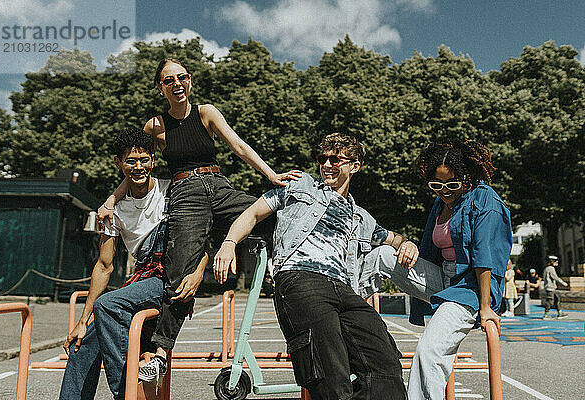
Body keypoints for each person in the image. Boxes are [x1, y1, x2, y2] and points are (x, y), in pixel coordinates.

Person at [99, 58, 301, 381]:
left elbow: (237, 145)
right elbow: (137, 163)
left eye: (182, 77)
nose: (177, 83)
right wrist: (111, 199)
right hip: (185, 193)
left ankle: (284, 279)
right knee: (179, 271)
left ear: (189, 81)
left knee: (280, 216)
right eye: (169, 80)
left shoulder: (206, 112)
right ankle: (161, 353)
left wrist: (271, 174)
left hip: (218, 186)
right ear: (161, 87)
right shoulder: (155, 126)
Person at [214, 133, 409, 399]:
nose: (327, 165)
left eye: (335, 159)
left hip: (344, 288)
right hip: (301, 278)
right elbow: (253, 213)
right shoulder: (298, 185)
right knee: (330, 371)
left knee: (384, 360)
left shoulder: (360, 216)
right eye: (322, 159)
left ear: (355, 166)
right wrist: (228, 243)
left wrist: (406, 244)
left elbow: (392, 239)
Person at [59, 129, 208, 399]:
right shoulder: (113, 210)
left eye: (144, 160)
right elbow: (104, 266)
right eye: (130, 161)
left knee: (109, 303)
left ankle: (126, 393)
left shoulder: (172, 190)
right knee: (83, 343)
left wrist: (198, 274)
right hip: (143, 279)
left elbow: (200, 240)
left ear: (153, 160)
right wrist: (82, 320)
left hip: (170, 276)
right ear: (119, 163)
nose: (138, 167)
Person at [369, 140, 512, 400]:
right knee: (384, 255)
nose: (444, 191)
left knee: (429, 351)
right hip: (442, 279)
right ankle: (339, 304)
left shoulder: (485, 200)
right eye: (437, 185)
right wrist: (409, 248)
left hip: (470, 289)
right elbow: (429, 248)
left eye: (452, 185)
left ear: (466, 177)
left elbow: (484, 256)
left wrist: (485, 307)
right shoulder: (441, 204)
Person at [542, 255, 569, 319]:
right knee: (550, 301)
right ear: (552, 262)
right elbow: (555, 277)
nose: (557, 263)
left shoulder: (546, 268)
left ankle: (560, 313)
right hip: (550, 288)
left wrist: (554, 285)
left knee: (556, 299)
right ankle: (546, 314)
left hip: (551, 287)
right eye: (556, 261)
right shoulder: (551, 268)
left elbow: (550, 278)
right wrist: (563, 283)